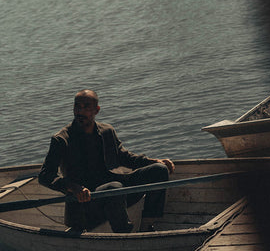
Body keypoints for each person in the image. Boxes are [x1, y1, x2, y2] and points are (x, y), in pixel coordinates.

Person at [39, 89, 175, 233]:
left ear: (96, 110)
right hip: (87, 204)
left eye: (86, 107)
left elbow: (125, 157)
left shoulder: (106, 131)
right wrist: (73, 187)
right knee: (114, 188)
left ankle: (146, 226)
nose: (80, 111)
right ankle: (124, 235)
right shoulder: (61, 140)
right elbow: (45, 176)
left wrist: (154, 161)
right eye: (77, 106)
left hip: (118, 193)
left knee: (158, 170)